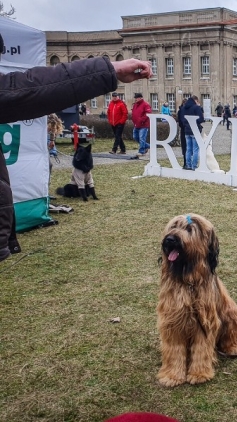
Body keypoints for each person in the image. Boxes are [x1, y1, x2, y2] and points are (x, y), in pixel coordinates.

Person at [0, 31, 151, 261]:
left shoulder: (120, 105)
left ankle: (118, 153)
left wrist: (109, 72)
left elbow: (31, 88)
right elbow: (28, 89)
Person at [181, 96, 204, 170]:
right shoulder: (196, 108)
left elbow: (182, 119)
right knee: (195, 149)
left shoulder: (184, 108)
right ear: (195, 100)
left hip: (187, 130)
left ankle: (188, 165)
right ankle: (194, 166)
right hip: (195, 130)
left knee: (188, 149)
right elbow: (201, 119)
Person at [132, 93, 152, 157]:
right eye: (135, 98)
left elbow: (148, 113)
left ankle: (142, 151)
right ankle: (148, 146)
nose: (135, 99)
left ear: (140, 98)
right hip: (136, 124)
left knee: (142, 138)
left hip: (144, 125)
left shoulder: (145, 105)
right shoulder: (135, 105)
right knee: (135, 137)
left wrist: (141, 120)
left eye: (136, 98)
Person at [176, 99, 188, 169]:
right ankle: (187, 163)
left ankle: (185, 163)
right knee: (188, 147)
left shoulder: (180, 111)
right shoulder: (187, 110)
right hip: (187, 130)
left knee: (184, 147)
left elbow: (179, 121)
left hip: (183, 130)